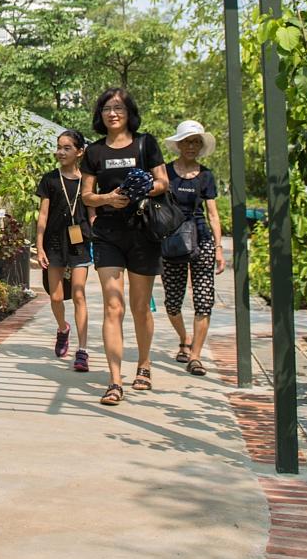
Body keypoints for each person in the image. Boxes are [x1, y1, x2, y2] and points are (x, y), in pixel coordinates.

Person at [82, 88, 168, 404]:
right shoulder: (93, 151)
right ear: (99, 114)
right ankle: (115, 381)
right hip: (108, 233)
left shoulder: (146, 143)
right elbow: (87, 195)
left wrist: (140, 189)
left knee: (139, 306)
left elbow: (163, 182)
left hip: (143, 232)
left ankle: (144, 365)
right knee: (112, 305)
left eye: (118, 107)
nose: (112, 112)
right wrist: (107, 199)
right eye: (106, 107)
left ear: (129, 111)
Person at [161, 120, 226, 377]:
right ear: (178, 144)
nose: (191, 146)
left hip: (202, 240)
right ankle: (184, 338)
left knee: (203, 300)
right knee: (172, 303)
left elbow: (213, 214)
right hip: (173, 240)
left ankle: (196, 356)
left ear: (200, 146)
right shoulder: (165, 173)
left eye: (196, 141)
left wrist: (219, 248)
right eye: (187, 141)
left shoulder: (206, 176)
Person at [34, 129, 93, 372]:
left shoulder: (88, 180)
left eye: (67, 148)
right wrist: (39, 247)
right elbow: (43, 215)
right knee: (56, 296)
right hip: (55, 243)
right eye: (59, 147)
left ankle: (83, 350)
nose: (61, 152)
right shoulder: (49, 179)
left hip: (79, 243)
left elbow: (92, 211)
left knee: (79, 295)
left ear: (80, 152)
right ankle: (62, 329)